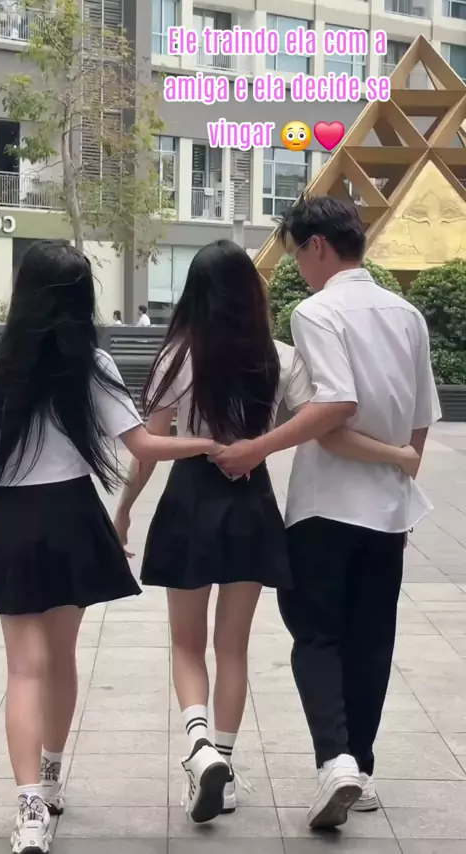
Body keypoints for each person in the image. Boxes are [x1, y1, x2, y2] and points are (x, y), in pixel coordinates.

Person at [114, 238, 420, 826]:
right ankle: (224, 765)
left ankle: (199, 745)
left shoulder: (177, 354)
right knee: (233, 647)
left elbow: (147, 447)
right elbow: (323, 418)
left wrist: (126, 507)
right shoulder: (278, 357)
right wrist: (261, 445)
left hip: (189, 500)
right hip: (252, 505)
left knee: (186, 644)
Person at [0, 240, 225, 854]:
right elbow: (143, 446)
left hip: (11, 518)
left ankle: (29, 812)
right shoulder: (92, 364)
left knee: (23, 667)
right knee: (61, 657)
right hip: (71, 518)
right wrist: (206, 443)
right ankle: (51, 776)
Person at [212, 198, 441, 830]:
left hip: (326, 507)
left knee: (316, 635)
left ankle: (335, 760)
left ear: (317, 245)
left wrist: (259, 446)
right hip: (387, 514)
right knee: (371, 640)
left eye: (296, 254)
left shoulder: (316, 312)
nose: (298, 269)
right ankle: (359, 770)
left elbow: (334, 408)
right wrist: (402, 465)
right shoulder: (408, 314)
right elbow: (422, 414)